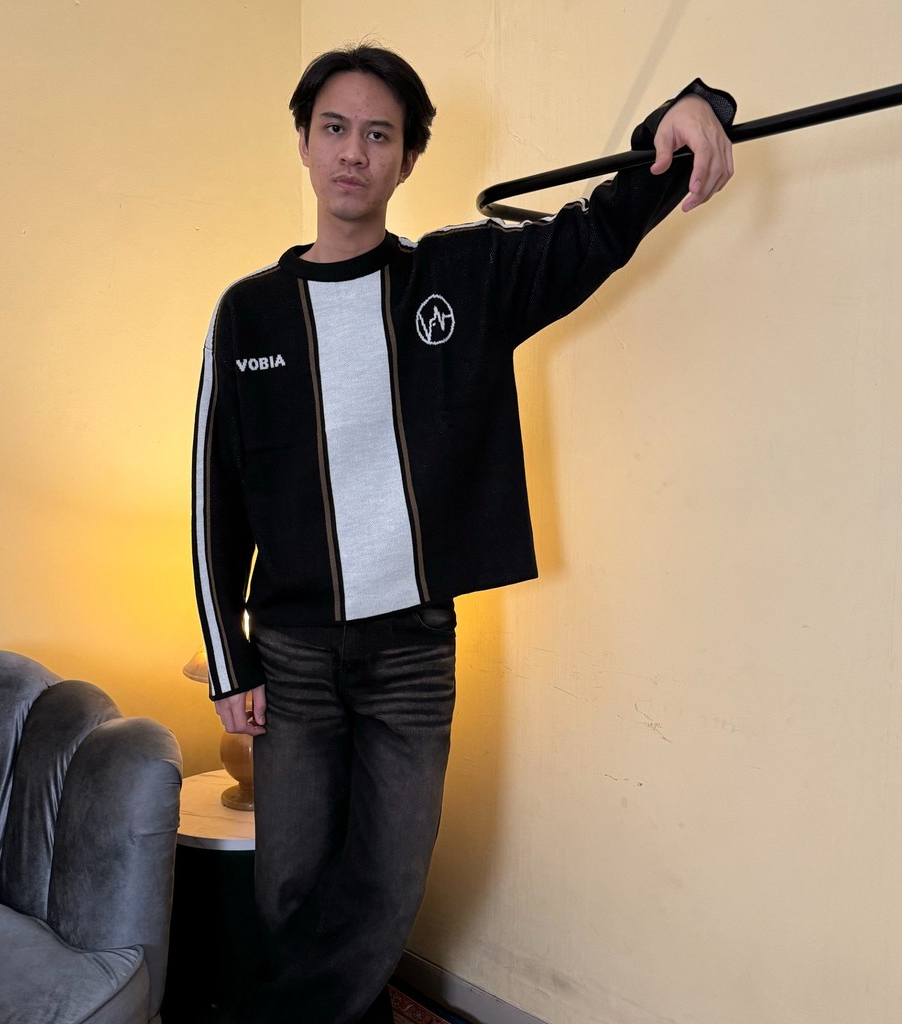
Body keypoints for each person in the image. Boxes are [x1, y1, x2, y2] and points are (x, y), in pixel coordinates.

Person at [192, 44, 734, 1024]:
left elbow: (593, 233)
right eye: (334, 128)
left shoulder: (463, 277)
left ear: (406, 160)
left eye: (379, 135)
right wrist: (229, 660)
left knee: (386, 887)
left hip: (412, 652)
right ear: (304, 143)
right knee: (290, 887)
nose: (354, 152)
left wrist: (689, 112)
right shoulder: (247, 314)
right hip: (294, 654)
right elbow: (211, 499)